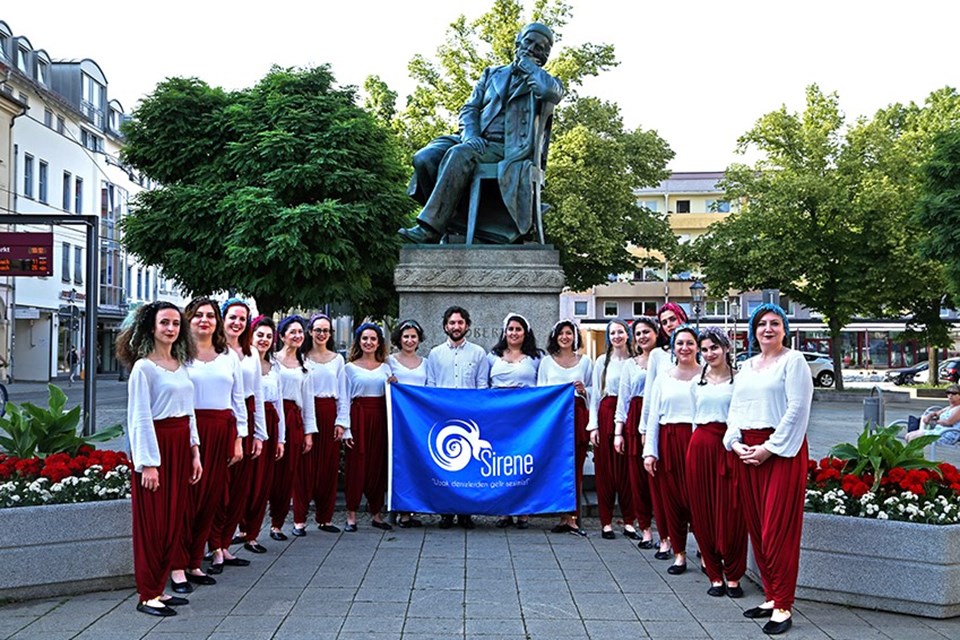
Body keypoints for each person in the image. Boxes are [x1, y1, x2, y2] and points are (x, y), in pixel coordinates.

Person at [398, 22, 564, 245]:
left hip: (508, 148)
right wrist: (471, 135)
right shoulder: (491, 74)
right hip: (473, 139)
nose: (532, 48)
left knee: (460, 154)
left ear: (545, 55)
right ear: (517, 43)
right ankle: (453, 221)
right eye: (528, 42)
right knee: (424, 158)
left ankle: (430, 229)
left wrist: (528, 68)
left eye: (540, 47)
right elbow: (470, 108)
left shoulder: (545, 83)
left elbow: (549, 92)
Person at [724, 304, 813, 635]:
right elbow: (735, 410)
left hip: (780, 451)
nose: (768, 328)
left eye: (775, 323)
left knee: (777, 530)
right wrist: (734, 443)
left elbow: (797, 410)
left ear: (785, 329)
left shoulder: (794, 361)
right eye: (762, 323)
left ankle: (784, 605)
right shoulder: (746, 367)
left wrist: (769, 449)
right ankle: (772, 594)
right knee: (758, 527)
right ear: (754, 330)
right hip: (748, 449)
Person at [118, 302, 201, 617]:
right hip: (158, 446)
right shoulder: (144, 368)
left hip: (180, 446)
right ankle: (147, 593)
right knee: (153, 522)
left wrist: (195, 452)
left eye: (176, 323)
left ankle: (160, 588)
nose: (171, 328)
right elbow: (139, 417)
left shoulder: (180, 364)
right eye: (164, 322)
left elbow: (188, 412)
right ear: (151, 327)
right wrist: (148, 463)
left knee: (173, 519)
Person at [173, 298, 247, 591]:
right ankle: (177, 566)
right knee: (186, 500)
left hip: (220, 432)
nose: (205, 320)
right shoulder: (179, 355)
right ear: (188, 320)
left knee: (210, 500)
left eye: (210, 316)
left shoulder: (228, 355)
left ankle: (194, 562)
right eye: (198, 315)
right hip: (189, 432)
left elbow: (237, 399)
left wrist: (238, 439)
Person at [686, 327, 746, 598]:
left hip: (731, 446)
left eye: (714, 348)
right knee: (703, 511)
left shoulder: (741, 381)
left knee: (732, 511)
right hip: (700, 448)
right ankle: (714, 574)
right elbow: (694, 420)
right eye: (705, 349)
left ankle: (733, 574)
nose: (709, 353)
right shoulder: (695, 384)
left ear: (726, 348)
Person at [208, 299, 266, 572]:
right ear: (223, 318)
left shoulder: (251, 353)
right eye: (232, 317)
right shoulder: (214, 350)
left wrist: (259, 434)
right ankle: (214, 544)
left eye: (242, 319)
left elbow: (258, 394)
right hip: (221, 420)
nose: (237, 323)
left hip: (246, 418)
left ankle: (225, 544)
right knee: (221, 487)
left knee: (240, 487)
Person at [426, 306, 491, 529]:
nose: (456, 327)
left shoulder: (478, 353)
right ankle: (446, 512)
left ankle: (465, 512)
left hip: (470, 420)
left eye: (460, 323)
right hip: (442, 418)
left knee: (468, 468)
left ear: (467, 326)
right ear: (445, 326)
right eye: (452, 323)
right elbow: (431, 387)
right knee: (445, 468)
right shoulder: (435, 354)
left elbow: (482, 387)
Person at [643, 325, 699, 576]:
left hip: (696, 440)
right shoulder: (664, 377)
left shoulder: (707, 375)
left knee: (698, 500)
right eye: (680, 343)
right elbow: (654, 415)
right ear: (673, 348)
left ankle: (707, 553)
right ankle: (679, 553)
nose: (685, 348)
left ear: (697, 346)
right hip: (669, 438)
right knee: (673, 499)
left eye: (690, 343)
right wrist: (650, 451)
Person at [639, 302, 689, 559]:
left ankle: (701, 544)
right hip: (663, 426)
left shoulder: (697, 348)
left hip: (693, 429)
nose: (670, 325)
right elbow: (650, 397)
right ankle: (666, 539)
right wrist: (645, 432)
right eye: (665, 321)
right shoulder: (658, 355)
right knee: (663, 488)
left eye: (673, 319)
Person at [537, 319, 592, 536]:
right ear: (555, 337)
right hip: (555, 420)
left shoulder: (585, 362)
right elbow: (540, 391)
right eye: (561, 333)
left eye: (569, 333)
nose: (565, 337)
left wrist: (584, 390)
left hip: (576, 416)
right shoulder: (546, 363)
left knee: (576, 466)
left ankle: (574, 516)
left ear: (574, 337)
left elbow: (594, 389)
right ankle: (561, 515)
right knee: (557, 467)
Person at [237, 316, 286, 554]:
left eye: (268, 336)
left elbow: (279, 405)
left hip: (269, 422)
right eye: (260, 335)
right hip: (245, 418)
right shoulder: (242, 359)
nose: (264, 340)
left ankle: (253, 533)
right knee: (241, 480)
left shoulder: (276, 366)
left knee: (261, 482)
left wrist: (281, 439)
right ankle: (238, 528)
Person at [489, 314, 542, 530]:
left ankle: (523, 511)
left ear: (525, 332)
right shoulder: (492, 356)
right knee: (500, 463)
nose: (513, 333)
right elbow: (484, 385)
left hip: (525, 418)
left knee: (521, 462)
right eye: (510, 329)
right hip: (498, 418)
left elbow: (542, 386)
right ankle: (503, 510)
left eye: (518, 329)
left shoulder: (536, 358)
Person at [587, 319, 635, 540]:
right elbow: (596, 395)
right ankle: (606, 522)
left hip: (629, 415)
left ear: (627, 334)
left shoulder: (635, 362)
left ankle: (629, 521)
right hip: (607, 412)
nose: (616, 336)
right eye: (612, 333)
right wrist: (593, 425)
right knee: (605, 470)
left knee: (627, 470)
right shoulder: (602, 362)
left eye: (620, 332)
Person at [613, 317, 659, 549]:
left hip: (658, 418)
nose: (642, 336)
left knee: (658, 479)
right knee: (637, 479)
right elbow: (624, 399)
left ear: (656, 333)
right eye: (638, 333)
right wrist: (618, 432)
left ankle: (668, 532)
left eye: (646, 332)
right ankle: (646, 529)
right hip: (635, 418)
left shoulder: (666, 360)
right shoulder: (630, 365)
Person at [268, 316, 315, 540]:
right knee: (266, 473)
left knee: (288, 473)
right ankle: (247, 527)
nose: (297, 336)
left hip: (294, 418)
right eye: (292, 332)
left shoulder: (304, 365)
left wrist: (308, 432)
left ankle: (277, 524)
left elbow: (308, 402)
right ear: (282, 335)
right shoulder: (271, 360)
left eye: (300, 332)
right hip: (273, 416)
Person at [302, 314, 350, 534]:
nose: (321, 334)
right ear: (310, 331)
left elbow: (343, 393)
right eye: (318, 330)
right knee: (304, 468)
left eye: (326, 331)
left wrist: (342, 421)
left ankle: (325, 518)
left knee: (328, 468)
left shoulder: (338, 359)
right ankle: (299, 520)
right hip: (306, 412)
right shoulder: (302, 357)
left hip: (330, 413)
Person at [344, 323, 393, 531]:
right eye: (365, 338)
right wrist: (345, 427)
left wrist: (394, 383)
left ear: (379, 342)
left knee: (377, 465)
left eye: (373, 339)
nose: (369, 342)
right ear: (358, 341)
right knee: (356, 465)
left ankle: (376, 513)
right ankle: (351, 515)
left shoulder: (386, 368)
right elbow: (344, 399)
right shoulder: (349, 368)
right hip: (358, 416)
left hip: (380, 417)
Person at [387, 319, 428, 528]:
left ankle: (414, 508)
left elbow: (431, 391)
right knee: (401, 463)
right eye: (406, 336)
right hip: (399, 421)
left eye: (413, 336)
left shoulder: (426, 363)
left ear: (419, 339)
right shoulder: (390, 362)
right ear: (399, 339)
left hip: (419, 422)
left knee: (418, 462)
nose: (410, 340)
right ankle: (401, 510)